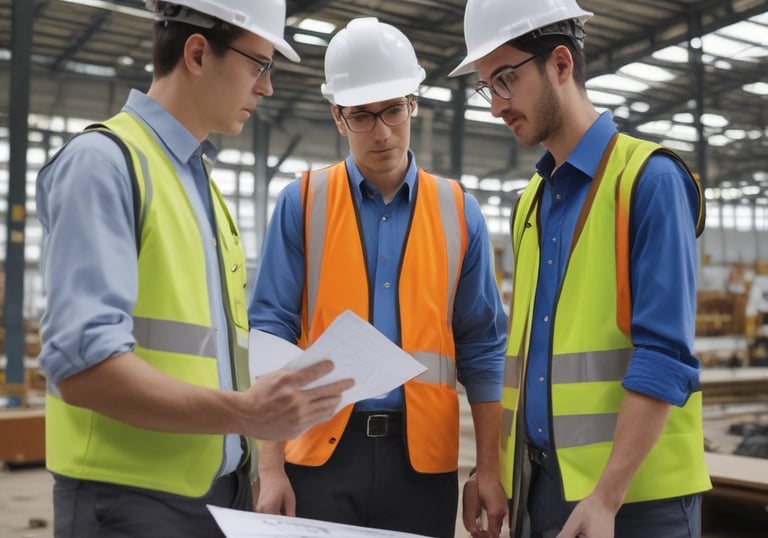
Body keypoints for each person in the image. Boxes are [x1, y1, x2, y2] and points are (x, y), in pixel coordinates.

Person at [35, 1, 353, 536]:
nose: (267, 87)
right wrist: (243, 413)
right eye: (260, 64)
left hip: (214, 496)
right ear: (199, 53)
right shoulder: (105, 164)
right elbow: (80, 366)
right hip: (128, 504)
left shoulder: (199, 184)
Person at [450, 0, 711, 536]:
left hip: (636, 503)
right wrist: (497, 471)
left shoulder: (650, 181)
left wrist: (607, 498)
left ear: (561, 65)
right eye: (486, 87)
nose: (497, 105)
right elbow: (519, 356)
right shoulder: (531, 203)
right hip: (542, 491)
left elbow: (665, 355)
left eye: (505, 79)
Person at [248, 16, 509, 538]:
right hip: (318, 460)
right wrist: (270, 468)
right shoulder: (301, 203)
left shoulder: (460, 212)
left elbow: (482, 347)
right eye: (363, 116)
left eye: (393, 109)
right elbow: (270, 333)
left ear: (413, 103)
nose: (383, 131)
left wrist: (489, 468)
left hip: (422, 465)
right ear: (337, 117)